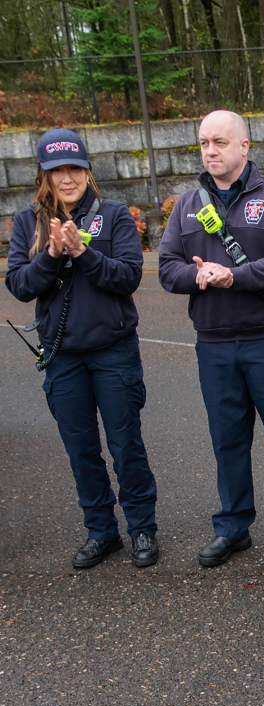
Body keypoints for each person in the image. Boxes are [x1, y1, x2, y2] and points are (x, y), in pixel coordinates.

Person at [158, 110, 264, 570]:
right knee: (226, 439)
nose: (210, 151)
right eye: (204, 143)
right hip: (213, 344)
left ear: (244, 147)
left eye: (220, 142)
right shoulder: (187, 204)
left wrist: (236, 276)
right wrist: (198, 275)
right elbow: (167, 269)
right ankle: (232, 526)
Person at [6, 127, 159, 569]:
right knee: (81, 448)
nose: (67, 178)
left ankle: (142, 528)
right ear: (45, 176)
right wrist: (52, 254)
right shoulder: (27, 221)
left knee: (126, 443)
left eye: (75, 168)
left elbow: (129, 276)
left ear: (87, 170)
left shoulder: (113, 215)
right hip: (62, 356)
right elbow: (19, 284)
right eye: (58, 171)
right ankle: (101, 531)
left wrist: (83, 252)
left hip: (113, 352)